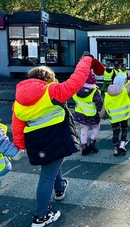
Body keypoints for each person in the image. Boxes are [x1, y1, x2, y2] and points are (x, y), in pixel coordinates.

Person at [11, 53, 104, 227]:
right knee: (46, 177)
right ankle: (40, 216)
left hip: (37, 143)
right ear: (48, 79)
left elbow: (16, 125)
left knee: (53, 165)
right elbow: (76, 80)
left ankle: (60, 189)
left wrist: (19, 146)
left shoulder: (18, 102)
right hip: (56, 138)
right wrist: (86, 60)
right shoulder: (52, 91)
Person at [100, 71, 130, 156]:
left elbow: (104, 107)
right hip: (124, 116)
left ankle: (115, 150)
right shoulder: (124, 91)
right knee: (124, 130)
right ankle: (122, 145)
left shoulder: (107, 94)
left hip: (114, 118)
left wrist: (102, 116)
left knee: (115, 132)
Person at [73, 71, 103, 156]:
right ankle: (92, 143)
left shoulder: (76, 89)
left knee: (83, 129)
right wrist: (101, 111)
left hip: (80, 114)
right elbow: (99, 103)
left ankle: (84, 147)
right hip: (92, 115)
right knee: (96, 127)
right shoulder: (94, 91)